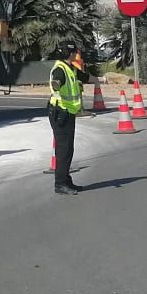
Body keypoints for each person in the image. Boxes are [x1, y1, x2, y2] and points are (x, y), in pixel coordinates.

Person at [47, 53, 83, 195]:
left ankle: (66, 181)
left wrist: (102, 79)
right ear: (71, 53)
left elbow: (85, 77)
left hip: (68, 113)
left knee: (68, 149)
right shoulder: (60, 69)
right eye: (75, 51)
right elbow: (56, 81)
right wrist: (56, 84)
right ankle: (60, 184)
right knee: (63, 150)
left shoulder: (70, 68)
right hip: (60, 113)